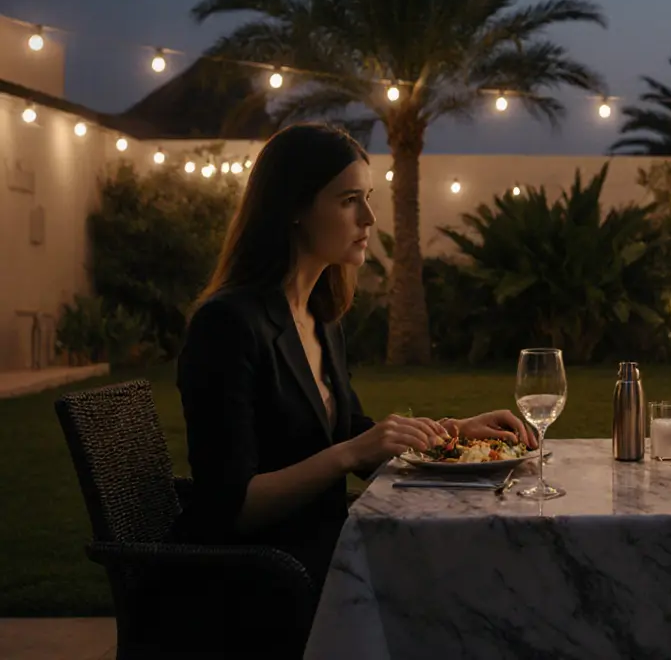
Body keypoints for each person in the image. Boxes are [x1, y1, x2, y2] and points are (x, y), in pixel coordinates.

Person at [171, 123, 535, 588]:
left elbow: (354, 437)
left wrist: (452, 433)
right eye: (348, 201)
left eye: (368, 197)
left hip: (329, 546)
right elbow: (233, 508)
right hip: (260, 576)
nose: (369, 218)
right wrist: (347, 454)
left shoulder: (320, 316)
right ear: (295, 209)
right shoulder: (227, 325)